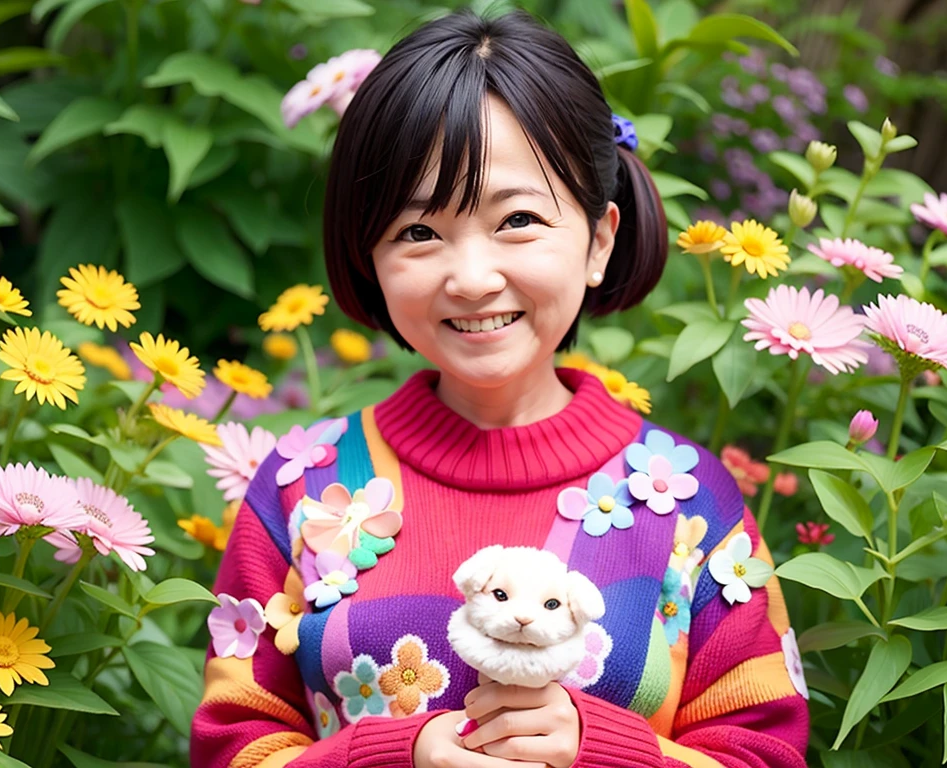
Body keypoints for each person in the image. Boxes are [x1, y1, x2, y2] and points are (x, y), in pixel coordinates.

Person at [190, 9, 809, 768]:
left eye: (517, 219)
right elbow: (230, 748)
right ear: (369, 257)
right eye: (419, 232)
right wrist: (393, 754)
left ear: (599, 239)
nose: (473, 278)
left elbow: (767, 754)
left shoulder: (689, 503)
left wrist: (604, 749)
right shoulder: (302, 487)